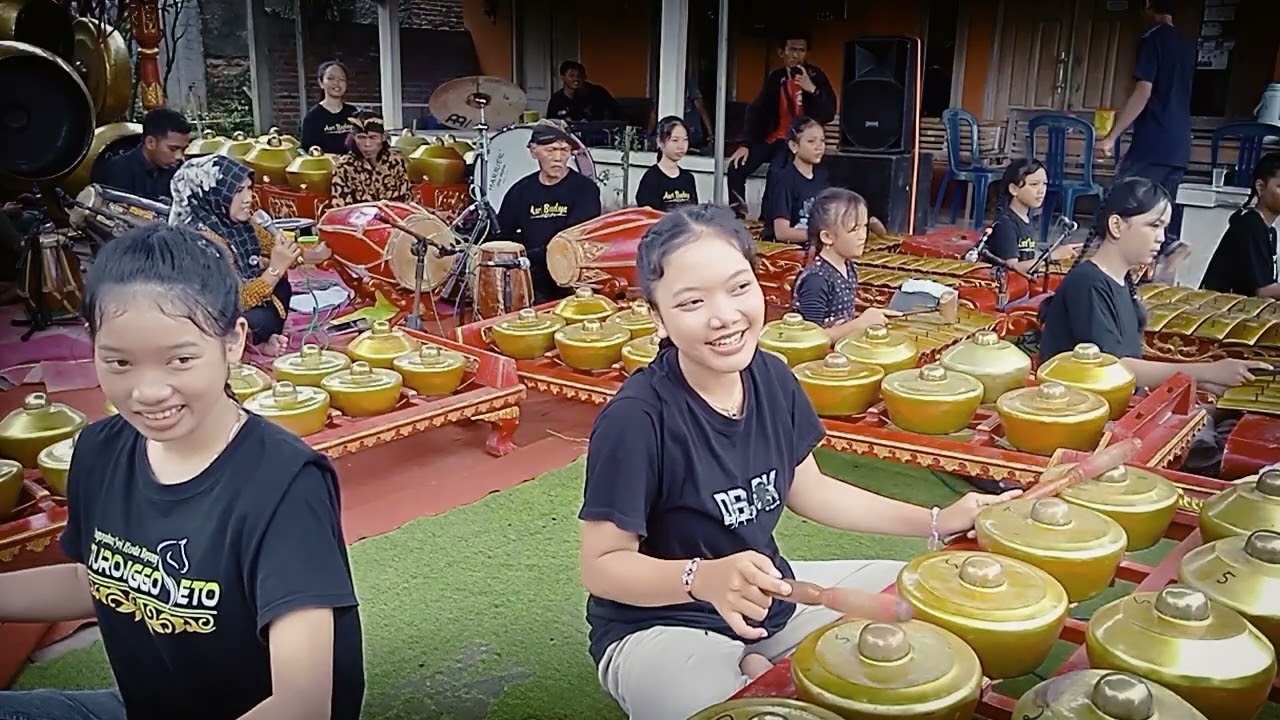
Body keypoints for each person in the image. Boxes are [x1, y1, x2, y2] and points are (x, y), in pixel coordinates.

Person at [579, 203, 1021, 720]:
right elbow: (602, 567)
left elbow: (809, 488)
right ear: (658, 317)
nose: (725, 316)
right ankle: (748, 675)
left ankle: (757, 667)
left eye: (738, 288)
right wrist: (701, 578)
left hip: (771, 597)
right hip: (661, 625)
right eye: (693, 301)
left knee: (929, 601)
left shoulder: (772, 377)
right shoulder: (635, 419)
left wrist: (936, 520)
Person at [0, 222, 364, 719]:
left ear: (233, 342)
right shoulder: (99, 451)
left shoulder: (283, 485)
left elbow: (302, 703)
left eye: (180, 359)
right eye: (119, 363)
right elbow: (100, 579)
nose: (148, 392)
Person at [1038, 177, 1267, 397]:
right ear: (1116, 225)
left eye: (1164, 228)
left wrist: (1202, 382)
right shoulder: (1088, 283)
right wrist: (1208, 371)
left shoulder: (1121, 280)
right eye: (1154, 226)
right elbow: (1114, 368)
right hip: (1082, 408)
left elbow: (1130, 361)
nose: (1161, 237)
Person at [169, 154, 300, 357]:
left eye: (249, 188)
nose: (248, 198)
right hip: (207, 319)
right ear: (212, 194)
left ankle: (257, 342)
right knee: (255, 319)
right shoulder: (196, 241)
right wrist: (274, 269)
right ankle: (248, 345)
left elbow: (274, 246)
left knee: (280, 287)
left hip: (239, 307)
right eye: (238, 191)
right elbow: (233, 302)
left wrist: (307, 254)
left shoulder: (238, 224)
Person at [1095, 0, 1193, 268]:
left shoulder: (1152, 40)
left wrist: (1112, 136)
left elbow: (1143, 91)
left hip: (1154, 140)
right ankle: (1166, 249)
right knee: (1158, 209)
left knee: (1119, 199)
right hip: (1179, 144)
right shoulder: (1184, 44)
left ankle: (1103, 267)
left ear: (1148, 5)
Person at [728, 32, 836, 219]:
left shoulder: (815, 76)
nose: (796, 55)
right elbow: (757, 111)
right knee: (736, 168)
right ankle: (737, 216)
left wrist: (812, 89)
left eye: (801, 50)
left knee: (776, 172)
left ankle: (766, 221)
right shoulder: (776, 77)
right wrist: (746, 144)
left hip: (797, 141)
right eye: (792, 50)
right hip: (773, 137)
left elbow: (829, 112)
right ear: (782, 52)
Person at [495, 123, 602, 302]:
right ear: (533, 151)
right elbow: (502, 234)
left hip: (570, 280)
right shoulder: (521, 191)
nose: (558, 158)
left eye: (564, 150)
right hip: (529, 278)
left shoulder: (584, 190)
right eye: (550, 150)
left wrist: (526, 257)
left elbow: (574, 242)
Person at [792, 188, 901, 340]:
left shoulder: (849, 267)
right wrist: (860, 323)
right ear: (827, 237)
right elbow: (810, 339)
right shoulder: (816, 280)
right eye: (854, 229)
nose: (863, 236)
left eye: (864, 227)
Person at [978, 158, 1081, 275]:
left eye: (1044, 184)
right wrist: (1054, 255)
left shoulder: (1026, 219)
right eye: (1034, 184)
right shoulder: (1005, 223)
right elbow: (1012, 269)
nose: (1041, 190)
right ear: (1013, 189)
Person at [1200, 152, 1280, 298]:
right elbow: (1263, 291)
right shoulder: (1251, 226)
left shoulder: (1269, 231)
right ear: (1260, 187)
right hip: (1216, 308)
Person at [91, 107, 192, 203]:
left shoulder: (181, 170)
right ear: (150, 142)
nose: (179, 156)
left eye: (183, 149)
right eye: (173, 149)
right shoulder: (119, 170)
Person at [763, 116, 829, 243]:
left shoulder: (823, 177)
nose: (819, 146)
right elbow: (782, 232)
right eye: (811, 141)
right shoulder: (784, 180)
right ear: (794, 146)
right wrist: (822, 236)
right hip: (788, 247)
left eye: (822, 141)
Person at [329, 110, 414, 208]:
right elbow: (342, 209)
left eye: (373, 137)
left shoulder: (396, 161)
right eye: (361, 137)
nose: (367, 144)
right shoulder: (344, 167)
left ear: (383, 137)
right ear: (354, 138)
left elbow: (408, 201)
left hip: (395, 215)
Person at [635, 116, 699, 212]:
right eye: (675, 140)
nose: (681, 146)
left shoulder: (688, 178)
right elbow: (648, 215)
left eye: (685, 139)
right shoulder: (651, 178)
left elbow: (694, 214)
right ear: (660, 142)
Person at [300, 61, 360, 155]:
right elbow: (306, 151)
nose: (336, 82)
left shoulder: (353, 113)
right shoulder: (313, 117)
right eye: (331, 78)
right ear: (321, 83)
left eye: (341, 79)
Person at [546, 60, 621, 123]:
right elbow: (550, 124)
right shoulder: (556, 100)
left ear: (585, 77)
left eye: (579, 76)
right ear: (563, 77)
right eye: (571, 76)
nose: (576, 79)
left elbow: (615, 114)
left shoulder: (598, 93)